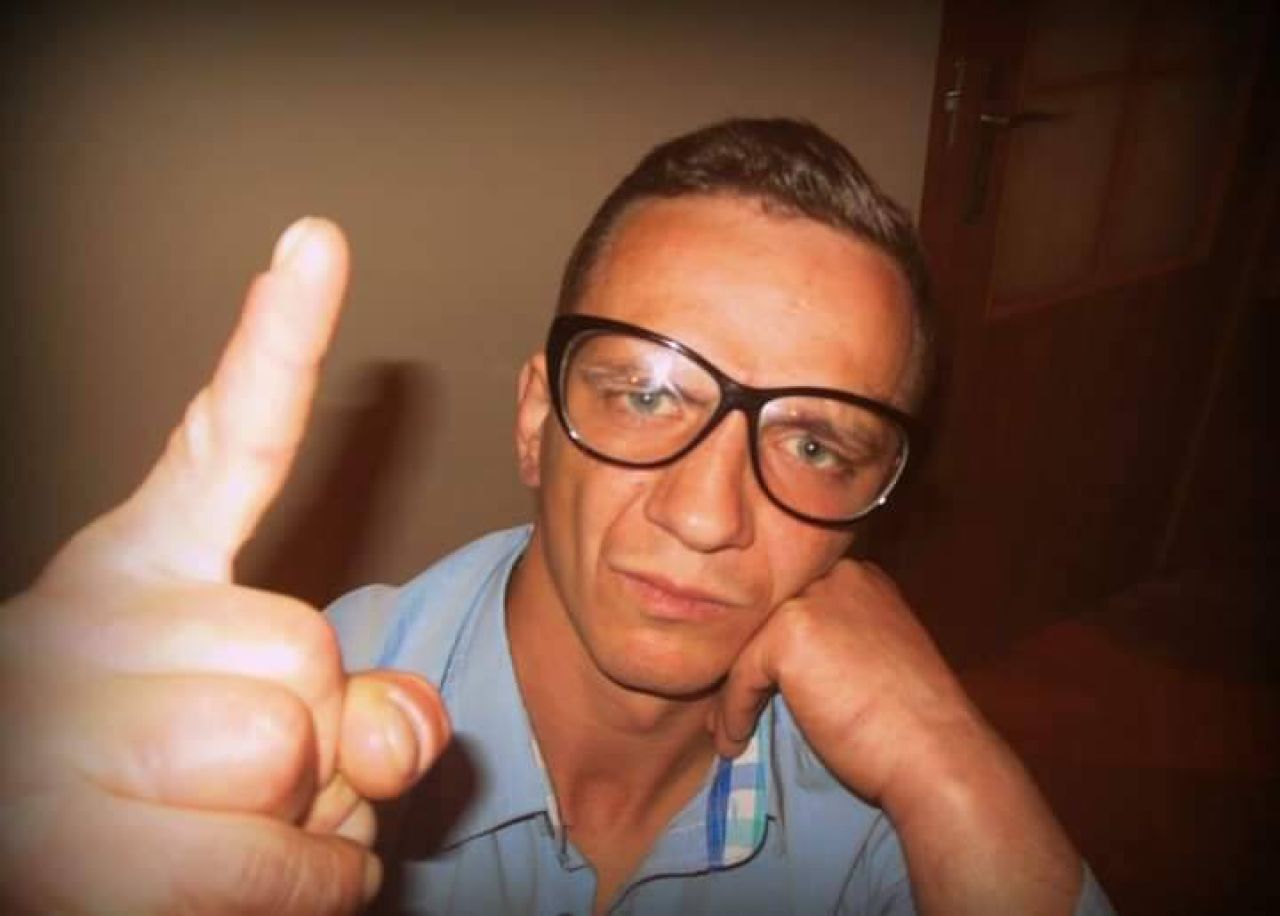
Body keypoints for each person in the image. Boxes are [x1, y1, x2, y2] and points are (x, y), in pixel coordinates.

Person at [0, 118, 1114, 915]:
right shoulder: (282, 730)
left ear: (865, 515)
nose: (705, 515)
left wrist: (951, 767)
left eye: (813, 444)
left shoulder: (893, 803)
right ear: (537, 419)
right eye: (645, 395)